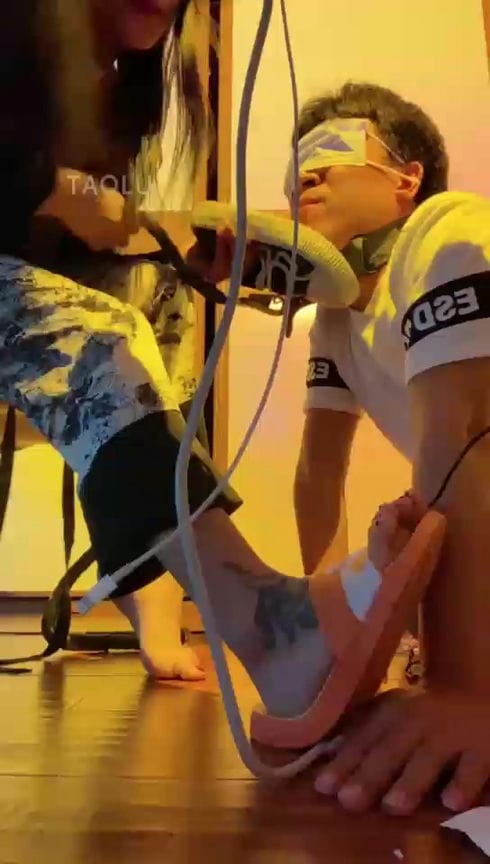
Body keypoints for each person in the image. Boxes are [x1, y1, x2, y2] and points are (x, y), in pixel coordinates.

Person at [287, 82, 490, 814]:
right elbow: (319, 472)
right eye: (296, 167)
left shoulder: (447, 229)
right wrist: (326, 634)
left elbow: (463, 434)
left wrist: (462, 688)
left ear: (407, 179)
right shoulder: (335, 319)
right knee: (395, 546)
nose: (306, 175)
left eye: (332, 151)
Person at [1, 0, 213, 681]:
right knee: (111, 336)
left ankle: (152, 585)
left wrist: (183, 253)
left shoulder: (123, 88)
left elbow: (85, 233)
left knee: (162, 302)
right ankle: (254, 606)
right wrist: (56, 189)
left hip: (27, 276)